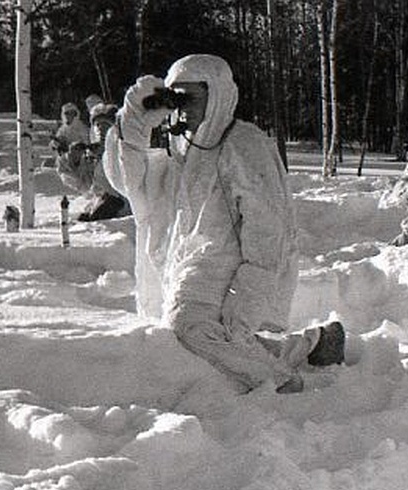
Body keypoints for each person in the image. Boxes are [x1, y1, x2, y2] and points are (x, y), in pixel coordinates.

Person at [103, 53, 345, 394]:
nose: (182, 108)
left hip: (233, 267)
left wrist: (245, 302)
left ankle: (279, 382)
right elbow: (129, 184)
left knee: (189, 329)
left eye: (192, 98)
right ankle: (316, 344)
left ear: (217, 96)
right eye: (176, 98)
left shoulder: (243, 144)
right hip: (191, 264)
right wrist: (134, 125)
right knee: (199, 335)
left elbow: (269, 233)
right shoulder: (182, 147)